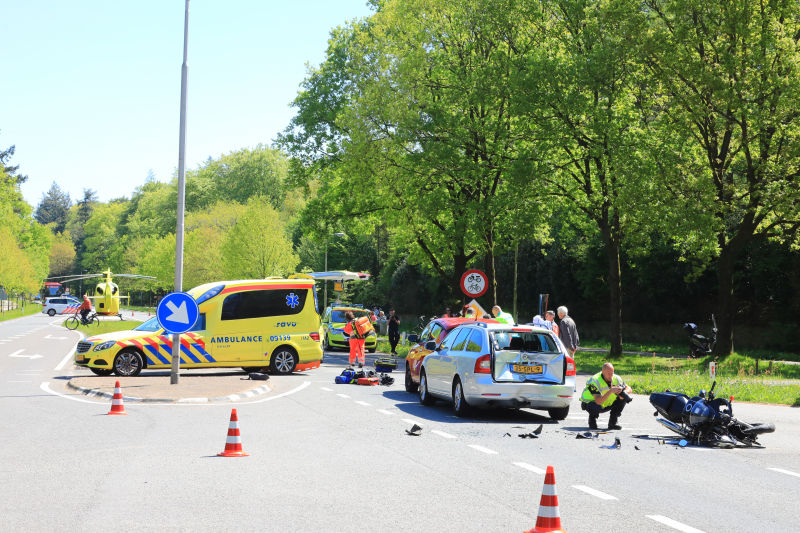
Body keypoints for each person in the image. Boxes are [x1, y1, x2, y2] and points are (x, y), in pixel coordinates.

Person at [580, 362, 633, 430]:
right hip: (591, 403)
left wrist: (624, 392)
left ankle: (613, 423)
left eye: (612, 373)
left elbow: (629, 388)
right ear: (603, 372)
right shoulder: (594, 381)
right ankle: (592, 419)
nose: (611, 376)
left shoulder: (616, 378)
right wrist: (611, 391)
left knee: (623, 398)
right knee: (596, 407)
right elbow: (598, 401)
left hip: (606, 403)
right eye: (608, 374)